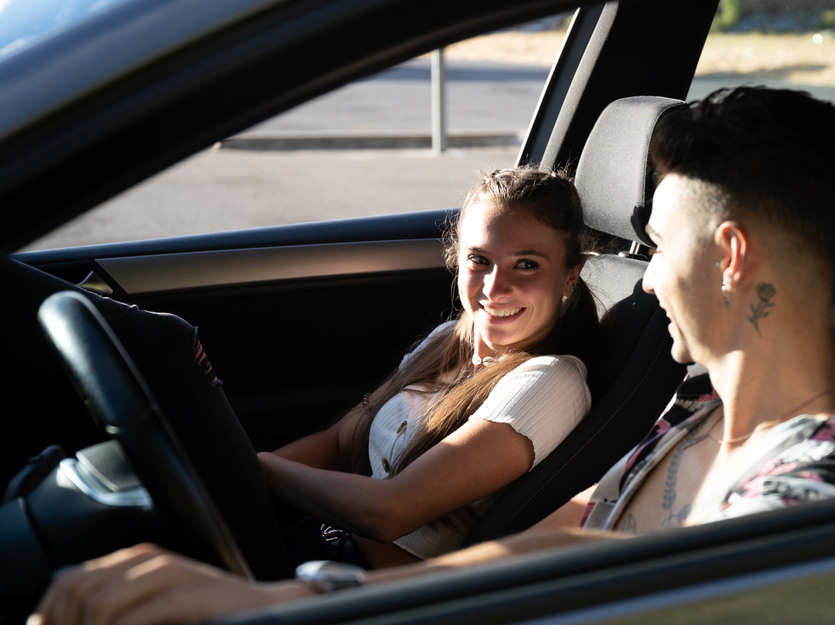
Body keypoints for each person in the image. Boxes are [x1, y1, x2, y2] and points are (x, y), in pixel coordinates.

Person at [22, 87, 835, 625]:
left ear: (732, 254)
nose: (646, 271)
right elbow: (553, 547)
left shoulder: (816, 495)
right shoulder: (696, 419)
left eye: (661, 244)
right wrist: (296, 604)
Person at [256, 166, 599, 569]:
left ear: (569, 276)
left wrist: (259, 466)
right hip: (313, 541)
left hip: (359, 588)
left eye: (526, 264)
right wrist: (243, 484)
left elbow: (387, 512)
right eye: (480, 260)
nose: (493, 287)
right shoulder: (447, 339)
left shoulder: (550, 382)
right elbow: (339, 442)